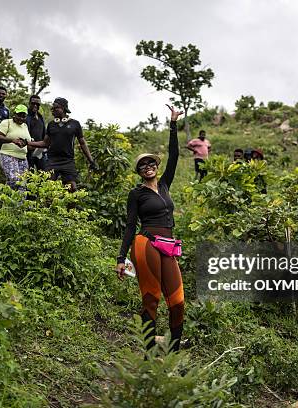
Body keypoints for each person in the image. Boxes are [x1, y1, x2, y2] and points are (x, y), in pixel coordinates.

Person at [115, 104, 185, 353]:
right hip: (146, 244)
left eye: (150, 163)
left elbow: (175, 156)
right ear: (139, 172)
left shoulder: (165, 185)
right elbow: (130, 225)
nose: (148, 167)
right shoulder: (136, 194)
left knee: (177, 302)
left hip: (169, 246)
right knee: (152, 298)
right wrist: (121, 258)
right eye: (142, 165)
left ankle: (173, 353)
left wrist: (173, 124)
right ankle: (147, 354)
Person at [28, 97, 97, 192]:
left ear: (64, 109)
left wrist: (91, 160)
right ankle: (48, 207)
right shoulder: (51, 125)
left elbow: (82, 143)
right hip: (52, 160)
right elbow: (45, 143)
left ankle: (71, 207)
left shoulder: (75, 124)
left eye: (56, 108)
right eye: (53, 108)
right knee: (47, 189)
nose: (53, 110)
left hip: (68, 161)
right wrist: (28, 142)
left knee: (72, 189)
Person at [0, 105, 32, 191]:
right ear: (14, 114)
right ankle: (7, 201)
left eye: (23, 116)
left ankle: (20, 204)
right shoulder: (7, 122)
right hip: (8, 155)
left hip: (22, 158)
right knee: (14, 179)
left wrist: (28, 143)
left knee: (23, 183)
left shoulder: (25, 126)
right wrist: (12, 140)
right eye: (19, 115)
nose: (21, 118)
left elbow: (28, 141)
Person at [25, 94, 47, 171]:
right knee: (29, 174)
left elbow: (44, 133)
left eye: (37, 104)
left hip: (40, 149)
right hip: (28, 150)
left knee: (43, 172)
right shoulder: (25, 116)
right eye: (33, 103)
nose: (35, 105)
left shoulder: (40, 117)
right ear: (29, 103)